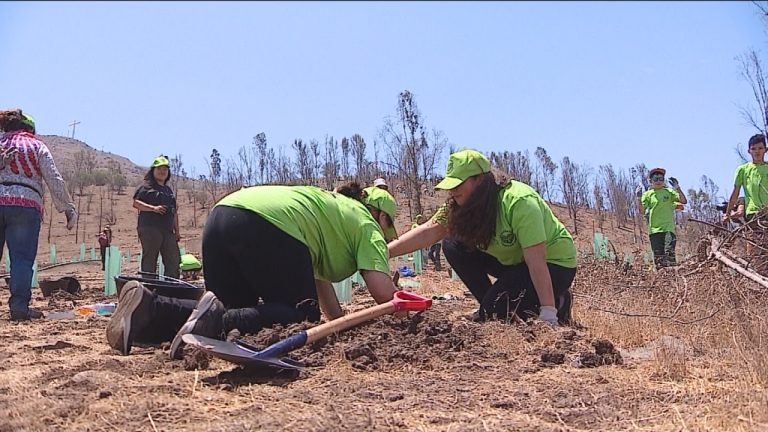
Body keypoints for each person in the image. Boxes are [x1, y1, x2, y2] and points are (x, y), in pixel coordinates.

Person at [106, 183, 401, 358]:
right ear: (380, 215)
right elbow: (383, 294)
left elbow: (320, 290)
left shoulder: (332, 211)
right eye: (388, 227)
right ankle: (186, 316)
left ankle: (149, 308)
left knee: (223, 313)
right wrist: (409, 306)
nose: (385, 236)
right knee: (298, 315)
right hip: (263, 224)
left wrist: (339, 324)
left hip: (223, 216)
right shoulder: (366, 223)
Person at [388, 149, 577, 326]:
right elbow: (429, 231)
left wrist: (549, 313)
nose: (452, 191)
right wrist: (384, 252)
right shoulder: (460, 205)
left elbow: (536, 260)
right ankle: (491, 306)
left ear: (479, 180)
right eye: (450, 185)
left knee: (498, 310)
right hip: (514, 263)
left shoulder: (519, 202)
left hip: (553, 265)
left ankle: (558, 302)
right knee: (453, 244)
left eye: (458, 184)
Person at [0, 109, 77, 321]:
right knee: (22, 259)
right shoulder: (36, 146)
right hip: (25, 205)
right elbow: (54, 178)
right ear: (30, 129)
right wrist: (68, 208)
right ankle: (19, 308)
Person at [133, 155, 181, 279]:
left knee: (173, 260)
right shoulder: (146, 187)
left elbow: (174, 212)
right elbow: (136, 203)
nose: (162, 172)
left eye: (165, 169)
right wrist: (153, 209)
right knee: (150, 259)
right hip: (149, 228)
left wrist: (177, 231)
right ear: (153, 170)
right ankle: (149, 288)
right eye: (159, 169)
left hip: (168, 230)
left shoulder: (169, 191)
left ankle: (171, 288)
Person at [636, 167, 687, 268]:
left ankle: (673, 276)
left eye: (661, 178)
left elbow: (683, 201)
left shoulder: (669, 192)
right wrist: (638, 198)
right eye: (656, 179)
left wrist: (677, 187)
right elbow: (641, 211)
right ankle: (662, 280)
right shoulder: (647, 195)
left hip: (668, 229)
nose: (658, 181)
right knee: (659, 257)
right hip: (654, 231)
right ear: (650, 181)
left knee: (669, 252)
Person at [724, 134, 768, 224]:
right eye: (753, 149)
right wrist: (727, 214)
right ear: (749, 151)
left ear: (765, 150)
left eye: (760, 148)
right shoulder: (743, 170)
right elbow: (735, 192)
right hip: (753, 213)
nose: (757, 151)